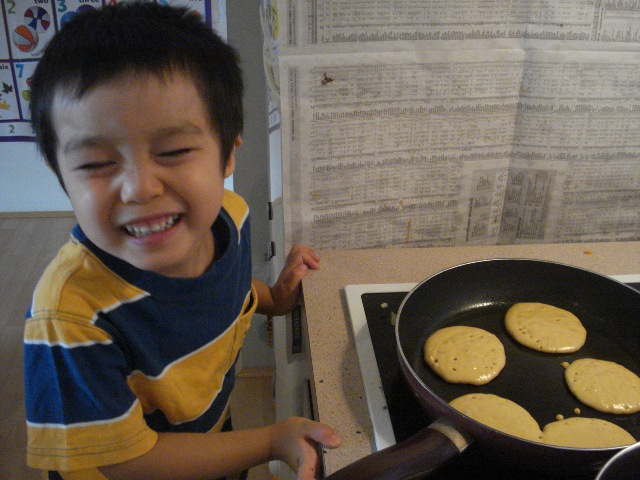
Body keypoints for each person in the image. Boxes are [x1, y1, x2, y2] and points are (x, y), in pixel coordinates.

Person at [23, 2, 341, 479]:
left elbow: (223, 292)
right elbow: (125, 461)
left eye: (172, 151)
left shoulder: (230, 218)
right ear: (61, 175)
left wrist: (273, 299)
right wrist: (270, 440)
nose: (139, 188)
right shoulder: (68, 316)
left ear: (227, 152)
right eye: (94, 164)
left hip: (203, 431)